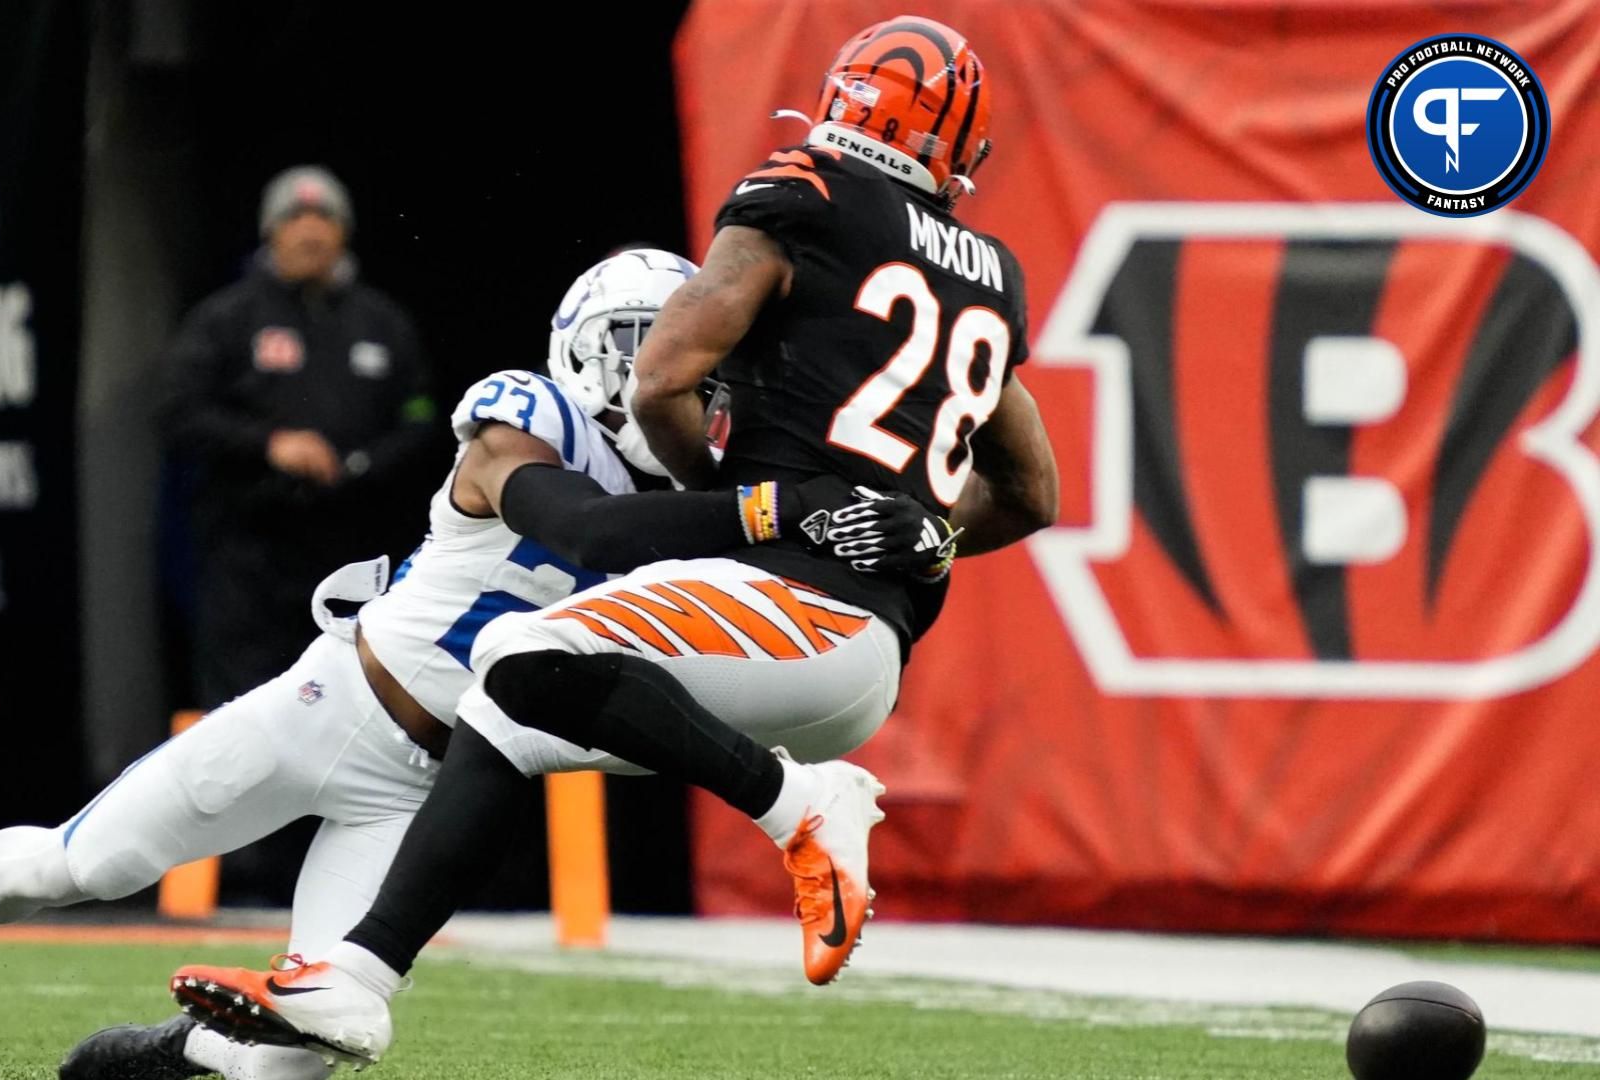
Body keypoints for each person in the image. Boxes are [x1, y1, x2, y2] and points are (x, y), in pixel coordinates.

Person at [0, 249, 941, 1080]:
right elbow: (591, 534)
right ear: (585, 348)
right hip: (334, 704)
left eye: (675, 351)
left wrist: (892, 534)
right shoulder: (532, 416)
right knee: (83, 863)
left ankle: (180, 1057)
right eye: (638, 344)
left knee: (302, 1048)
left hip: (430, 782)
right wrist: (787, 513)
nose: (659, 375)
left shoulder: (700, 494)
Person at [168, 16, 1059, 1068]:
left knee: (520, 653)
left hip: (795, 608)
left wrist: (735, 505)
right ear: (957, 148)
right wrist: (926, 537)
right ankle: (354, 985)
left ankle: (800, 806)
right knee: (512, 712)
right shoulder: (987, 274)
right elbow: (1032, 491)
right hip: (868, 653)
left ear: (845, 101)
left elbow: (661, 376)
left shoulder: (805, 193)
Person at [159, 165, 436, 714]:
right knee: (246, 707)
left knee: (352, 702)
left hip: (351, 549)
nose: (310, 230)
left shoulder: (383, 323)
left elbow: (422, 418)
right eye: (294, 217)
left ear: (344, 231)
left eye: (323, 217)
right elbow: (176, 412)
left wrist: (358, 465)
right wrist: (269, 445)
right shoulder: (226, 319)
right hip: (247, 554)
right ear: (271, 232)